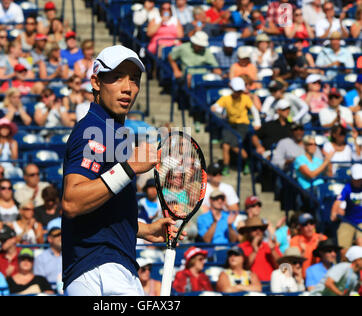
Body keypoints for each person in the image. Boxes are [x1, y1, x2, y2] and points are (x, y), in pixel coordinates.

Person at [62, 45, 182, 296]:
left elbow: (101, 213)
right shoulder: (93, 130)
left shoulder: (114, 133)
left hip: (106, 267)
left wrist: (144, 230)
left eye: (134, 79)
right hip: (100, 270)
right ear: (96, 82)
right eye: (117, 77)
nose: (128, 87)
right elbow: (73, 202)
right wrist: (129, 168)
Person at [210, 77, 261, 175]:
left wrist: (257, 122)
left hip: (242, 125)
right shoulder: (226, 98)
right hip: (230, 124)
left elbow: (254, 110)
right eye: (236, 91)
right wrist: (216, 109)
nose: (238, 93)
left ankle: (247, 161)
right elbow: (216, 106)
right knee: (225, 145)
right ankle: (226, 167)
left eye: (240, 91)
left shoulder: (245, 98)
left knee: (233, 146)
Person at [238, 216, 282, 282]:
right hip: (252, 286)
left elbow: (282, 268)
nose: (258, 231)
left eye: (261, 229)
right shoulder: (240, 247)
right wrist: (254, 251)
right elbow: (244, 268)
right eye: (254, 229)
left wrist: (273, 251)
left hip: (271, 285)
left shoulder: (270, 246)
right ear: (247, 231)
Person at [331, 164, 362, 252]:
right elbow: (338, 201)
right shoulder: (347, 188)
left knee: (361, 242)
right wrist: (333, 213)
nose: (358, 181)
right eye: (356, 179)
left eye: (360, 179)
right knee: (342, 247)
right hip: (349, 220)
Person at [34, 218, 62, 286]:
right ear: (49, 239)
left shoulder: (71, 255)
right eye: (57, 235)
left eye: (62, 234)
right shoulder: (41, 258)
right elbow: (40, 280)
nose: (60, 237)